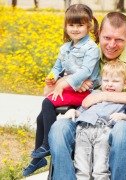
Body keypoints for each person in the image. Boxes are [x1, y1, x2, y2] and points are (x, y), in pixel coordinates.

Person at [49, 12, 126, 180]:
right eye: (107, 38)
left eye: (119, 39)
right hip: (86, 120)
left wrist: (102, 96)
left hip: (123, 121)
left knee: (120, 131)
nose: (112, 45)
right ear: (98, 34)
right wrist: (70, 80)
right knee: (58, 129)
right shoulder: (89, 53)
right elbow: (50, 91)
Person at [23, 4, 100, 177]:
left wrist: (63, 84)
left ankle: (47, 145)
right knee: (41, 116)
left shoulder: (91, 49)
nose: (75, 29)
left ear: (88, 26)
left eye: (80, 25)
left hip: (84, 93)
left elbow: (86, 72)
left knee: (47, 103)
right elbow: (57, 67)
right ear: (66, 26)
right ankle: (38, 158)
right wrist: (51, 77)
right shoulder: (64, 48)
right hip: (71, 89)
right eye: (71, 25)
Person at [58, 61, 126, 180]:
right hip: (83, 131)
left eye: (115, 81)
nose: (110, 84)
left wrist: (123, 116)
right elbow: (82, 110)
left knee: (100, 168)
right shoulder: (94, 95)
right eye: (106, 81)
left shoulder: (125, 100)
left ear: (125, 84)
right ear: (101, 81)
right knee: (81, 166)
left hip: (104, 132)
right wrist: (74, 112)